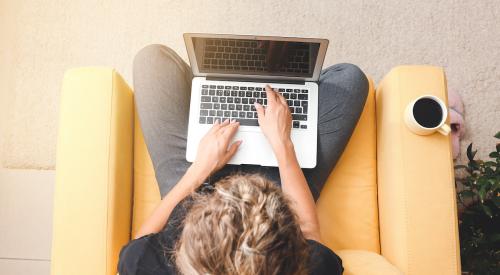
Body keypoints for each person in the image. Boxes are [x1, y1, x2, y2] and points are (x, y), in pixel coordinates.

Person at [118, 44, 368, 275]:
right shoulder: (311, 267)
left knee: (152, 60)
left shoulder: (142, 266)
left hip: (198, 185)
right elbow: (309, 233)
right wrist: (283, 146)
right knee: (349, 79)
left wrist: (198, 170)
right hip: (276, 189)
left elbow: (139, 244)